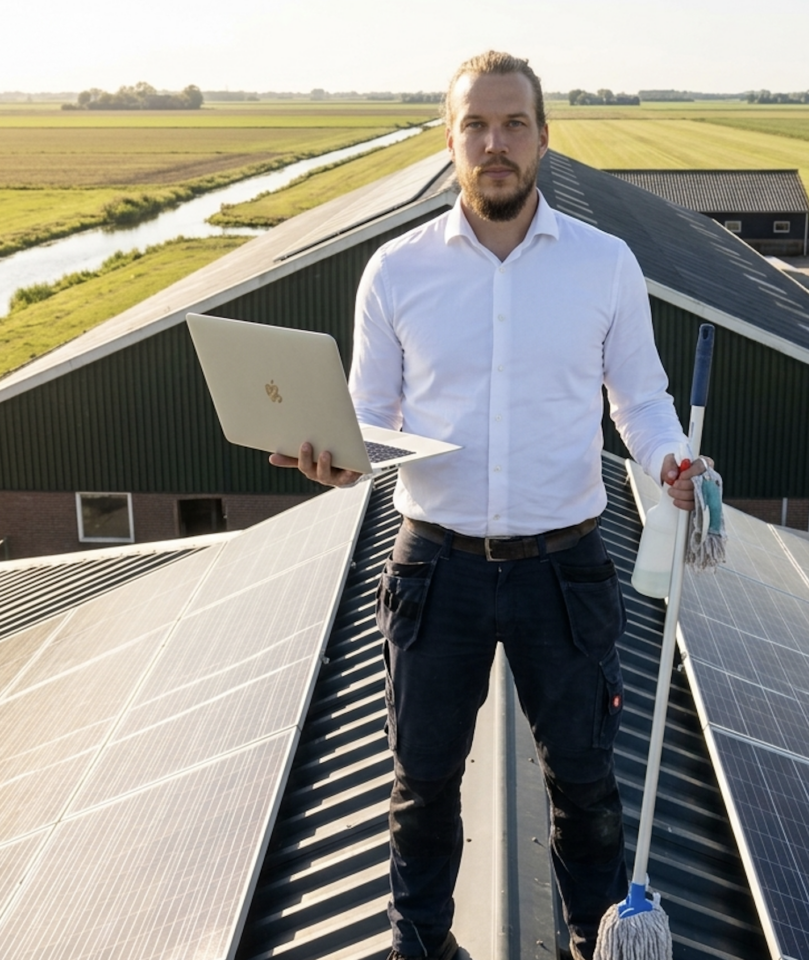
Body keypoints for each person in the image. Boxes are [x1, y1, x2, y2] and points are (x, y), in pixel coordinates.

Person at [271, 51, 712, 960]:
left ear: (544, 137)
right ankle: (422, 949)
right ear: (451, 140)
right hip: (437, 568)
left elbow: (641, 400)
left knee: (586, 784)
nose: (495, 143)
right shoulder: (394, 272)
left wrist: (671, 460)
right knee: (420, 784)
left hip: (568, 570)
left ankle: (596, 947)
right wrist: (337, 458)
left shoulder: (606, 264)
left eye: (514, 124)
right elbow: (368, 420)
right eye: (476, 125)